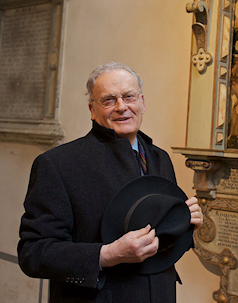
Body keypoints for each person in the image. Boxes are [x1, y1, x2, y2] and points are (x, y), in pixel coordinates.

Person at [18, 62, 203, 303]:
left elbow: (158, 238)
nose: (121, 107)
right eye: (108, 100)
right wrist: (108, 254)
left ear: (142, 102)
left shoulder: (160, 158)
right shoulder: (57, 164)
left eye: (129, 96)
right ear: (92, 110)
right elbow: (33, 253)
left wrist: (184, 222)